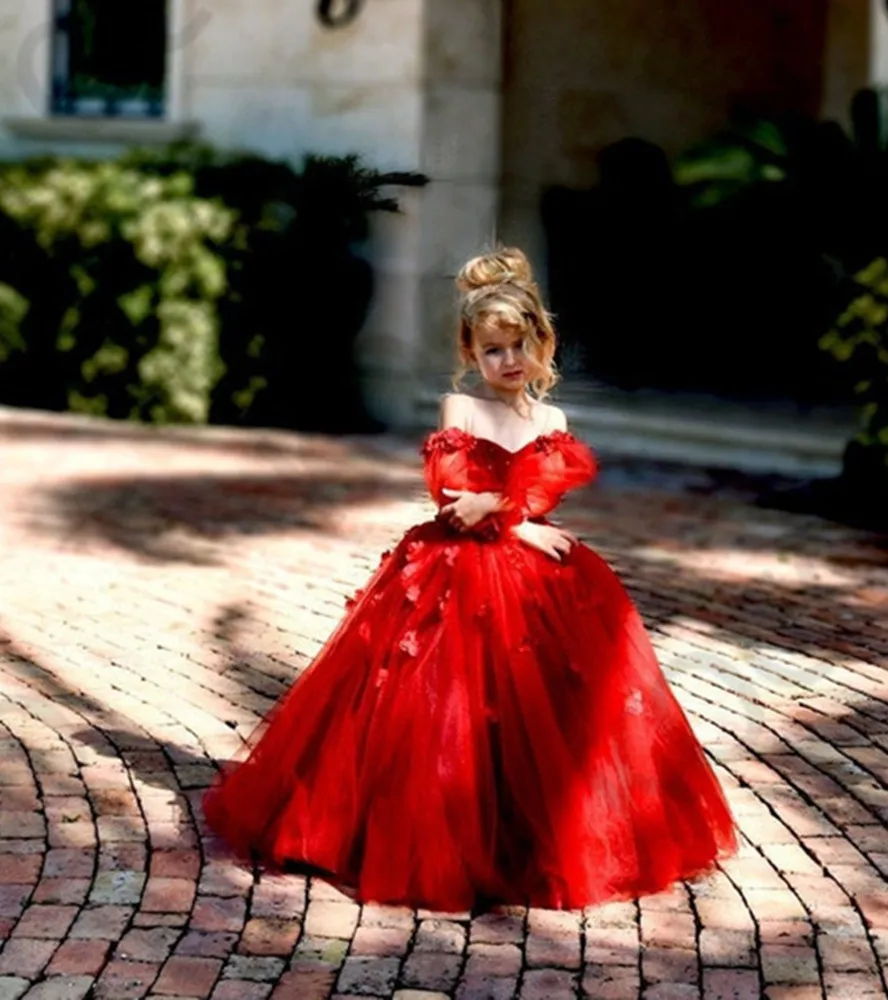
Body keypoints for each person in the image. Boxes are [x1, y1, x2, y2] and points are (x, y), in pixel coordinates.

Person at [203, 247, 737, 911]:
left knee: (533, 712)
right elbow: (455, 501)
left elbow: (539, 490)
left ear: (542, 344)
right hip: (453, 571)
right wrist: (514, 519)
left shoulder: (553, 424)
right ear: (471, 354)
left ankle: (525, 834)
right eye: (492, 350)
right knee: (439, 705)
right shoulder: (460, 409)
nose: (507, 362)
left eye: (517, 346)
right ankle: (412, 829)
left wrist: (513, 515)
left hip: (533, 581)